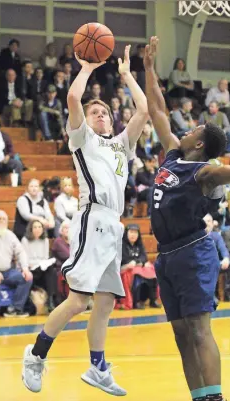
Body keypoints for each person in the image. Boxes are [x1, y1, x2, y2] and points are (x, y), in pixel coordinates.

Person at [22, 44, 148, 395]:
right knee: (79, 300)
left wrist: (127, 76)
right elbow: (74, 99)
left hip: (114, 226)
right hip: (92, 218)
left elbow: (144, 110)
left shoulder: (122, 145)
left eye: (104, 112)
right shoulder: (83, 139)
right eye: (95, 112)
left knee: (105, 303)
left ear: (111, 119)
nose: (99, 115)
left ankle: (97, 368)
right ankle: (35, 354)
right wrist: (87, 67)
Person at [144, 36, 229, 401]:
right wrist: (148, 70)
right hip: (166, 256)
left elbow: (225, 171)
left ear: (200, 143)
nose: (188, 127)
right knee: (180, 334)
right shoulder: (173, 156)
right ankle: (199, 396)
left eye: (194, 128)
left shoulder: (203, 172)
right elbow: (158, 110)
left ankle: (215, 397)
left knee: (198, 329)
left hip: (194, 254)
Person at [0, 210, 32, 318]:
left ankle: (15, 308)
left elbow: (21, 252)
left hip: (8, 271)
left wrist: (25, 268)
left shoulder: (10, 235)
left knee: (27, 278)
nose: (1, 221)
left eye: (4, 219)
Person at [21, 220, 57, 312]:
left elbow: (45, 257)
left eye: (40, 227)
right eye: (35, 227)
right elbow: (25, 259)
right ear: (31, 229)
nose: (37, 229)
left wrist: (43, 263)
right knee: (50, 271)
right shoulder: (25, 240)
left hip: (42, 268)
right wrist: (37, 263)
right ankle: (50, 300)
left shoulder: (45, 240)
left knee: (51, 270)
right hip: (31, 269)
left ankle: (50, 300)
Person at [0, 114, 23, 185]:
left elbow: (11, 150)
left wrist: (8, 156)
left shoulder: (4, 136)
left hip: (3, 163)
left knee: (17, 163)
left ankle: (18, 184)